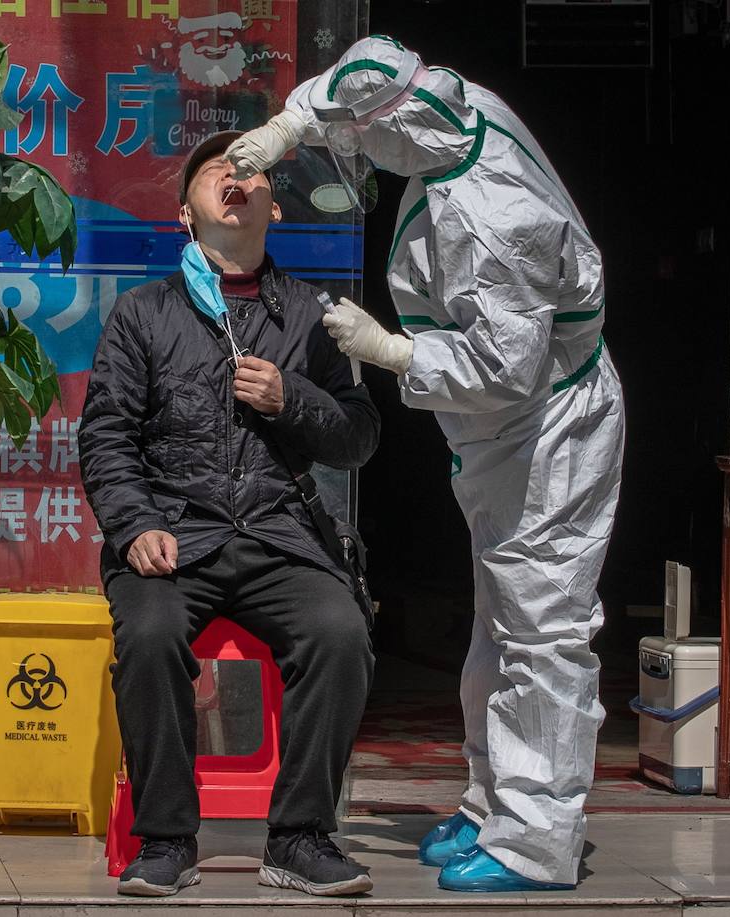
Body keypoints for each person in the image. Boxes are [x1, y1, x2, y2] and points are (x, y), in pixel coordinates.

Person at [226, 35, 624, 892]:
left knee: (541, 632)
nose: (361, 159)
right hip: (500, 435)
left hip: (544, 427)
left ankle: (537, 837)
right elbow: (360, 74)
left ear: (398, 132)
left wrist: (394, 354)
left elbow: (503, 370)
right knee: (497, 621)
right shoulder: (448, 104)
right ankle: (493, 802)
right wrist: (286, 129)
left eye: (364, 145)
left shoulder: (498, 218)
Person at [79, 131, 381, 897]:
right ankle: (167, 839)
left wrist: (295, 399)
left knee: (341, 632)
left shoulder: (315, 315)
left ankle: (302, 836)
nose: (234, 178)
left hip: (280, 533)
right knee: (148, 635)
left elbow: (359, 435)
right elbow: (106, 434)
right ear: (187, 213)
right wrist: (135, 523)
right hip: (176, 534)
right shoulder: (144, 313)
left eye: (249, 171)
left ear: (274, 206)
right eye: (216, 171)